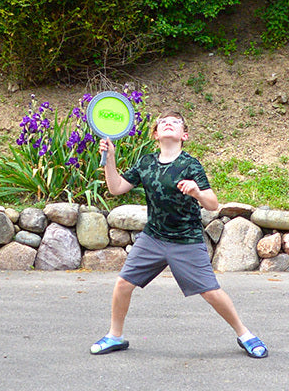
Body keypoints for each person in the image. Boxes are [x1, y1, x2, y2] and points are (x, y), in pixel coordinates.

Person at [90, 110, 267, 358]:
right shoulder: (146, 162)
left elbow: (213, 204)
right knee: (123, 284)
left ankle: (246, 335)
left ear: (184, 135)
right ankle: (114, 336)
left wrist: (196, 191)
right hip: (153, 238)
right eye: (162, 122)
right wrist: (110, 159)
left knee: (210, 291)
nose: (168, 124)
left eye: (175, 122)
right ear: (155, 134)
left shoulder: (190, 165)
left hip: (186, 240)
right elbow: (116, 187)